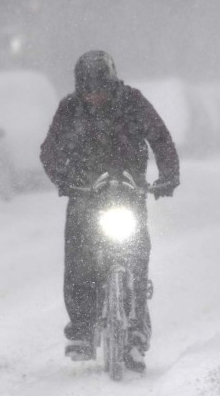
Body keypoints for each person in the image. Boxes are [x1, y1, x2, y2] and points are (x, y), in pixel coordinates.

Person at [40, 50, 180, 373]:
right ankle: (82, 327)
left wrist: (168, 176)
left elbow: (160, 138)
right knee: (78, 255)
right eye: (87, 90)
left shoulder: (133, 102)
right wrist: (63, 179)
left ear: (112, 82)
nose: (95, 96)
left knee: (136, 253)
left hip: (128, 193)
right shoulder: (69, 110)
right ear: (79, 89)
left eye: (100, 88)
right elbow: (50, 150)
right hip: (85, 196)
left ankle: (135, 332)